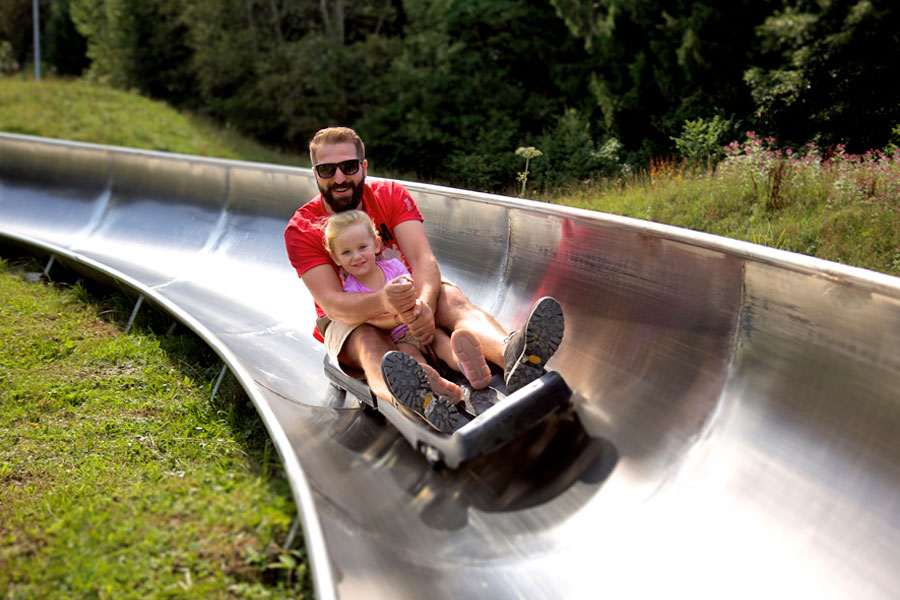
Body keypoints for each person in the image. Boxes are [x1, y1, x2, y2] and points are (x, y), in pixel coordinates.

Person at [284, 126, 564, 433]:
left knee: (452, 299)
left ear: (363, 167)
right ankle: (414, 398)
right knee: (368, 341)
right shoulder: (302, 229)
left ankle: (513, 355)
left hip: (408, 292)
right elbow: (334, 305)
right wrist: (385, 302)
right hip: (352, 317)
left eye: (348, 167)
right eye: (327, 170)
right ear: (315, 174)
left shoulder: (389, 196)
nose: (339, 178)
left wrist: (425, 307)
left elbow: (422, 260)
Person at [324, 209, 493, 405]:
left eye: (362, 247)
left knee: (440, 340)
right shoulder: (352, 291)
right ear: (336, 259)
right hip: (397, 337)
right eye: (346, 252)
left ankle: (468, 366)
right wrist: (398, 319)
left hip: (418, 324)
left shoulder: (394, 267)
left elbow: (413, 289)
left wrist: (419, 312)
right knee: (411, 357)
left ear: (376, 245)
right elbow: (373, 321)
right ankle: (436, 388)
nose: (357, 256)